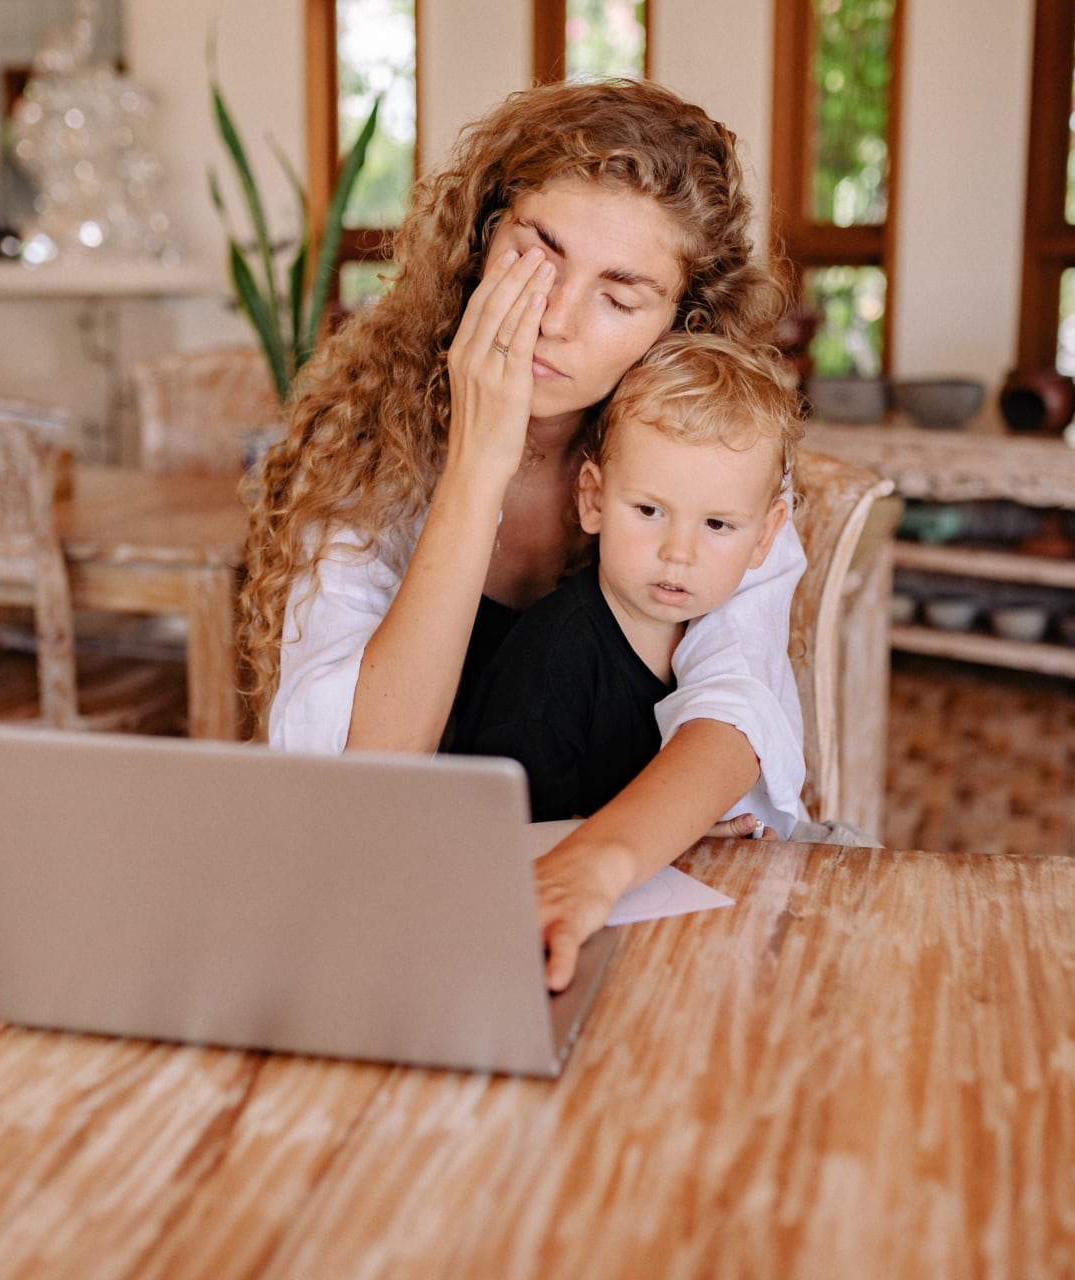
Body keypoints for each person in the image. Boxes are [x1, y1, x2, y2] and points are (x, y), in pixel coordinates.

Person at [239, 79, 804, 992]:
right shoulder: (358, 446)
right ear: (478, 242)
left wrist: (598, 866)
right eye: (535, 258)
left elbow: (736, 710)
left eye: (620, 298)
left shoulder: (709, 463)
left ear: (679, 325)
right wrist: (477, 461)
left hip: (625, 889)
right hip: (404, 899)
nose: (553, 318)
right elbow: (361, 768)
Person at [450, 332, 803, 828]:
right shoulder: (552, 663)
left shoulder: (717, 640)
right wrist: (684, 841)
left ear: (764, 537)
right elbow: (508, 836)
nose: (678, 552)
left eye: (717, 524)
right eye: (650, 510)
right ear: (593, 500)